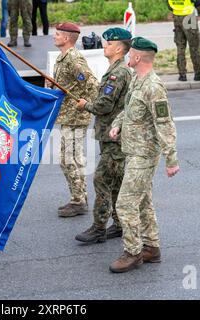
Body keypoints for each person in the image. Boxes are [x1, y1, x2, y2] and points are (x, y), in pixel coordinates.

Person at [108, 37, 180, 273]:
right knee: (143, 203)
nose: (128, 57)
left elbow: (165, 124)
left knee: (125, 204)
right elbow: (129, 111)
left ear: (138, 57)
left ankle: (134, 252)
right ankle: (151, 247)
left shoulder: (153, 87)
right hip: (133, 151)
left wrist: (171, 160)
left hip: (144, 155)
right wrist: (118, 123)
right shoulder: (137, 80)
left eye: (131, 54)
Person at [74, 27, 133, 243]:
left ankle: (99, 228)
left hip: (114, 137)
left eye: (108, 44)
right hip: (111, 135)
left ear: (119, 48)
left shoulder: (119, 72)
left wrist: (85, 105)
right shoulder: (116, 69)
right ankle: (119, 224)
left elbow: (105, 105)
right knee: (116, 181)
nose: (104, 46)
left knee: (102, 180)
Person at [46, 22, 98, 217]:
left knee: (67, 159)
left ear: (67, 38)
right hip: (67, 115)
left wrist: (88, 105)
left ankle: (78, 200)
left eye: (57, 34)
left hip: (76, 116)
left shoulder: (74, 59)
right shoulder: (62, 57)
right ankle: (80, 198)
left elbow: (92, 84)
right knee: (74, 158)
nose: (54, 36)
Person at [167, 0, 200, 81]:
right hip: (189, 17)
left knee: (180, 47)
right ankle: (199, 73)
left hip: (177, 17)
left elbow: (169, 6)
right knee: (194, 47)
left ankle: (182, 74)